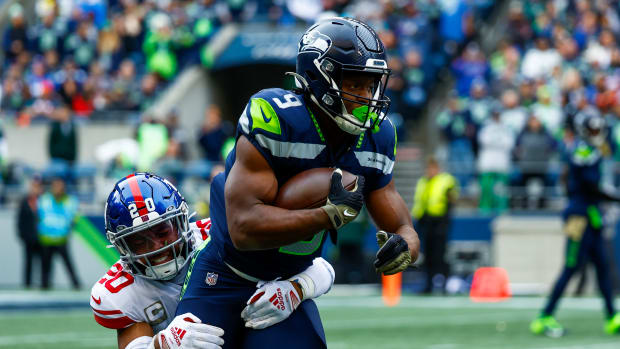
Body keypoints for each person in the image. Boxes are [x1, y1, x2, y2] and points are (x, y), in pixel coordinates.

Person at [176, 17, 420, 348]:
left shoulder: (378, 135)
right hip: (225, 274)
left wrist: (405, 244)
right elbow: (244, 229)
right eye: (354, 85)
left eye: (371, 85)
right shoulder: (277, 116)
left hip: (290, 281)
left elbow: (400, 223)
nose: (366, 97)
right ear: (319, 78)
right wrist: (326, 216)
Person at [91, 173, 335, 349]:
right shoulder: (118, 291)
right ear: (122, 246)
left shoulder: (219, 232)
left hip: (257, 331)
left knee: (298, 310)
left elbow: (322, 270)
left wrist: (295, 289)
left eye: (162, 232)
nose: (156, 247)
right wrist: (162, 343)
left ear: (181, 222)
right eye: (139, 241)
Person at [530, 108, 620, 337]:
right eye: (592, 128)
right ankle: (544, 317)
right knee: (571, 266)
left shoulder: (591, 149)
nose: (596, 131)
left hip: (592, 215)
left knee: (602, 266)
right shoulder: (582, 151)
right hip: (578, 216)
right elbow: (591, 185)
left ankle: (612, 317)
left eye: (598, 127)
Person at [411, 157, 458, 293]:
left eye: (433, 168)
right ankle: (428, 285)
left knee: (440, 255)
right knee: (428, 256)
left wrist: (446, 222)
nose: (430, 171)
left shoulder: (447, 181)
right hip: (425, 222)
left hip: (440, 222)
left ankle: (444, 285)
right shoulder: (423, 182)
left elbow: (451, 202)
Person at [38, 177, 81, 289]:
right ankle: (44, 286)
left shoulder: (71, 201)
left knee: (68, 264)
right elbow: (39, 216)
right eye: (56, 186)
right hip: (46, 238)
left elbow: (74, 218)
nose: (58, 188)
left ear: (64, 187)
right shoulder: (44, 199)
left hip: (62, 238)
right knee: (46, 266)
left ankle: (76, 285)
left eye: (60, 186)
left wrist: (67, 229)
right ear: (52, 187)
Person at [16, 176, 43, 288]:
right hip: (29, 237)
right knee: (28, 262)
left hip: (42, 237)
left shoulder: (45, 200)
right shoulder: (24, 201)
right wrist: (22, 235)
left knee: (43, 263)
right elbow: (20, 220)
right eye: (34, 186)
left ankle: (44, 284)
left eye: (38, 186)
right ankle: (27, 284)